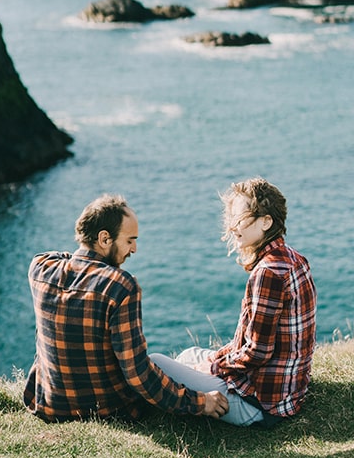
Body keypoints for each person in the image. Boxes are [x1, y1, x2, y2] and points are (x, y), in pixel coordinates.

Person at [23, 193, 229, 423]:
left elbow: (63, 257)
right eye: (130, 240)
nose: (134, 249)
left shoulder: (41, 269)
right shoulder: (121, 285)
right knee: (163, 362)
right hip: (106, 412)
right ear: (104, 239)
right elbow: (137, 374)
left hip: (49, 406)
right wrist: (200, 402)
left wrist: (83, 261)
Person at [150, 177, 317, 427]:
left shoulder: (267, 273)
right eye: (230, 219)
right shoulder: (294, 259)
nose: (231, 228)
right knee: (187, 355)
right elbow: (250, 344)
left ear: (266, 221)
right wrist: (214, 360)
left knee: (154, 362)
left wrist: (214, 368)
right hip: (289, 392)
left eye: (239, 220)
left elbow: (257, 352)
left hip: (260, 406)